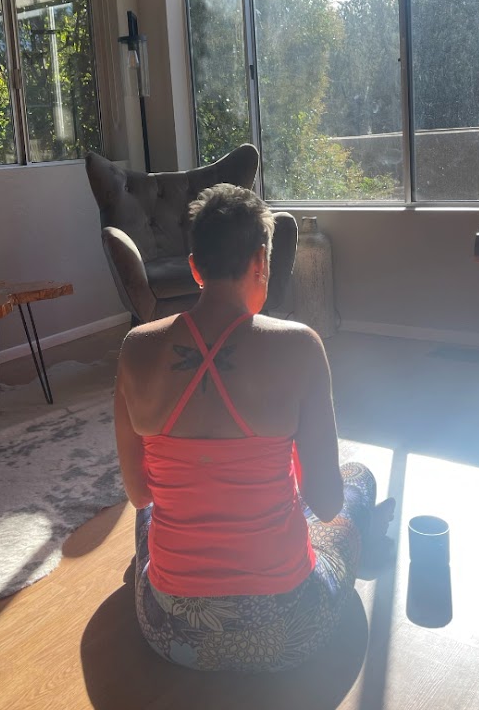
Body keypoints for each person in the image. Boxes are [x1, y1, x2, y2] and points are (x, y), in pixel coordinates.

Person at [114, 183, 394, 673]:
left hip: (168, 628)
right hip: (287, 628)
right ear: (261, 260)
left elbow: (140, 495)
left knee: (150, 513)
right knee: (358, 481)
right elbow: (326, 505)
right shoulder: (300, 347)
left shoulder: (135, 348)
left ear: (195, 267)